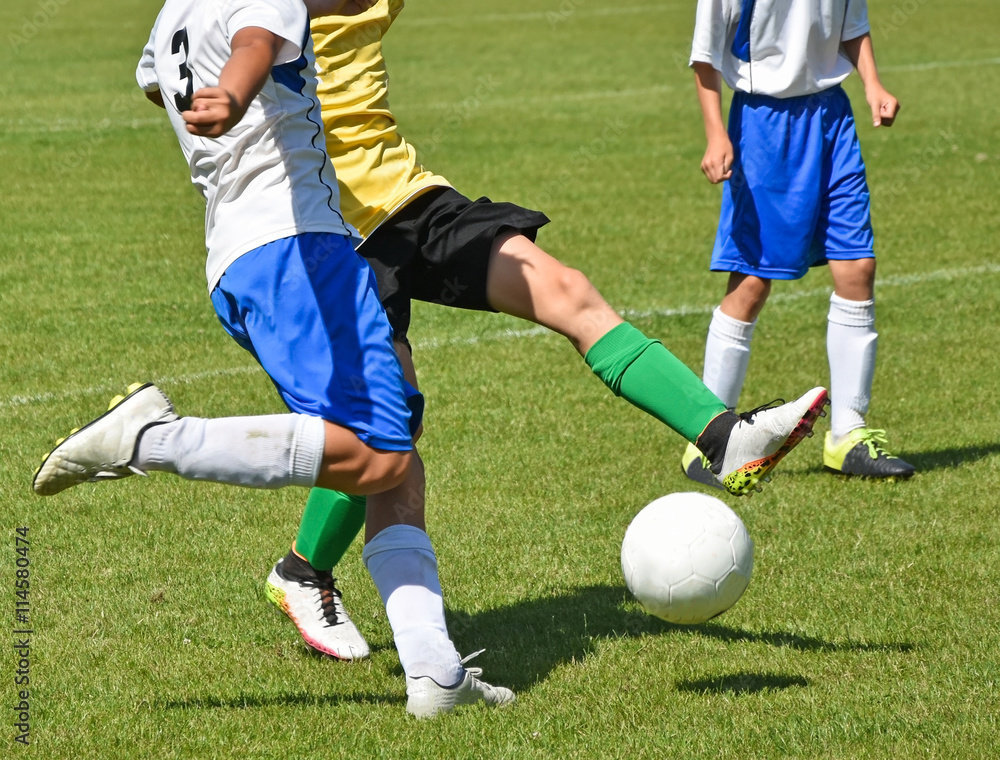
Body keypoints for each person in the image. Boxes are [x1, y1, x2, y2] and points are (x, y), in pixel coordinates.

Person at [263, 0, 830, 667]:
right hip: (325, 229)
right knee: (391, 429)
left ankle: (725, 437)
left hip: (406, 198)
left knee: (567, 290)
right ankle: (303, 573)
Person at [33, 0, 516, 719]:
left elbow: (161, 77)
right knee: (381, 456)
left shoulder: (173, 17)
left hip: (239, 259)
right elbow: (259, 35)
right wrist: (234, 88)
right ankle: (153, 440)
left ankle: (434, 673)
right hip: (298, 248)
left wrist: (230, 83)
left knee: (396, 448)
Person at [680, 0, 916, 489]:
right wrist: (715, 133)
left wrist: (872, 84)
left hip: (833, 120)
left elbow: (852, 27)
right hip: (762, 125)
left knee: (858, 268)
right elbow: (706, 53)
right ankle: (704, 437)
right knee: (751, 282)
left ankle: (848, 436)